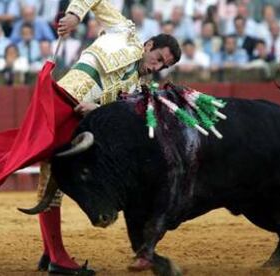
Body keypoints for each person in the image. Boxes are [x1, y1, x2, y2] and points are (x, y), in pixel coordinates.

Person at [27, 0, 181, 274]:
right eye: (157, 59)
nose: (156, 68)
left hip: (79, 120)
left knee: (54, 181)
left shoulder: (141, 87)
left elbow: (118, 114)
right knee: (51, 182)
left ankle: (51, 252)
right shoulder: (124, 31)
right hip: (62, 100)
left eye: (163, 66)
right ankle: (56, 259)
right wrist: (75, 17)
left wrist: (96, 109)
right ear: (148, 45)